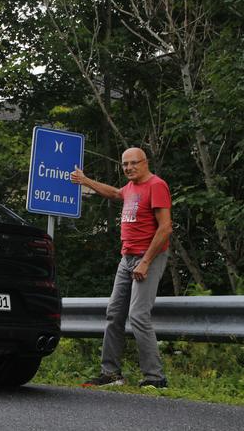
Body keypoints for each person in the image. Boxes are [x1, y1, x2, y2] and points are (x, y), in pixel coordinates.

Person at [70, 147, 173, 389]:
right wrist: (85, 180)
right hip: (126, 258)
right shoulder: (130, 188)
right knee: (114, 314)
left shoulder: (156, 185)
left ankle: (155, 378)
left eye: (133, 163)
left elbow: (166, 227)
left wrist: (146, 261)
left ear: (145, 162)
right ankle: (111, 374)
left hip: (148, 256)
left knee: (138, 315)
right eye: (125, 164)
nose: (128, 168)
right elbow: (114, 193)